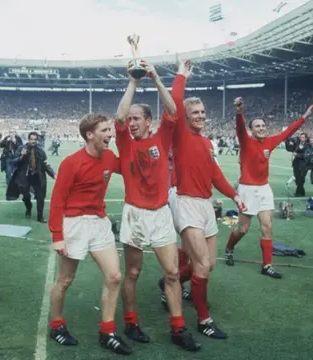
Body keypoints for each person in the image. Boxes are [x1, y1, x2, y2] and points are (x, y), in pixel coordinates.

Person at [114, 59, 199, 351]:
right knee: (133, 273)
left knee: (173, 273)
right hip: (134, 214)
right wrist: (134, 82)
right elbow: (119, 117)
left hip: (160, 213)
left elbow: (174, 111)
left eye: (139, 118)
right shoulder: (125, 141)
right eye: (132, 119)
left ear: (150, 121)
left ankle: (178, 328)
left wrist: (155, 77)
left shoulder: (162, 139)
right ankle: (131, 322)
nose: (133, 122)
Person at [165, 66, 246, 340]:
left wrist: (235, 195)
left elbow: (215, 175)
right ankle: (203, 320)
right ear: (185, 116)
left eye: (202, 112)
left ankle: (170, 281)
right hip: (185, 202)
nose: (200, 116)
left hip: (205, 205)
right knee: (200, 263)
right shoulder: (181, 136)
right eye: (195, 113)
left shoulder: (208, 143)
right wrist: (181, 78)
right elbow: (174, 102)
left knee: (209, 264)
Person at [47, 114, 131, 355]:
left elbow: (129, 166)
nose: (109, 134)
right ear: (89, 134)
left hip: (99, 222)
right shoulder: (72, 163)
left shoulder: (109, 157)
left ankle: (108, 332)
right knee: (65, 280)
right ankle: (56, 325)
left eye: (110, 130)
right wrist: (57, 236)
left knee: (114, 276)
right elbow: (57, 201)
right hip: (74, 224)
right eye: (105, 130)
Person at [224, 98, 313, 279]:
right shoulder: (245, 140)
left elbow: (289, 131)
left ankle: (267, 266)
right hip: (247, 189)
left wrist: (305, 116)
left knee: (267, 227)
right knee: (243, 229)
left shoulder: (270, 142)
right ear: (251, 130)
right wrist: (239, 112)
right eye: (257, 126)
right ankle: (229, 248)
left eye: (263, 125)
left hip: (264, 189)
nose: (261, 128)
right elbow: (240, 128)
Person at [6, 131, 56, 223]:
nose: (33, 141)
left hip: (38, 176)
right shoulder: (21, 148)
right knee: (26, 196)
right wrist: (22, 156)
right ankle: (28, 208)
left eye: (35, 139)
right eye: (31, 139)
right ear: (29, 139)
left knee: (41, 197)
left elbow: (45, 164)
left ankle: (40, 216)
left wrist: (53, 174)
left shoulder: (40, 150)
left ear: (37, 140)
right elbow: (13, 161)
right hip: (25, 177)